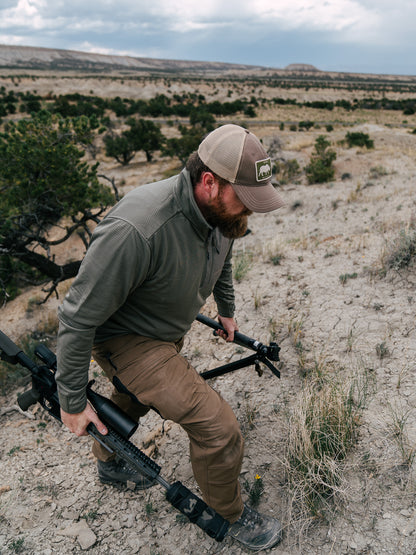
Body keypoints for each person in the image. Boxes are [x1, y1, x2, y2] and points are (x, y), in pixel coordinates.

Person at [55, 123, 285, 551]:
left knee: (135, 395)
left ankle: (108, 460)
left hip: (164, 327)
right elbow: (76, 318)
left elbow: (224, 254)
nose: (248, 213)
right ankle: (228, 515)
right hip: (128, 338)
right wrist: (71, 401)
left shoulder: (219, 215)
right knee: (218, 427)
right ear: (210, 183)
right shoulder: (138, 228)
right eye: (245, 201)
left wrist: (227, 309)